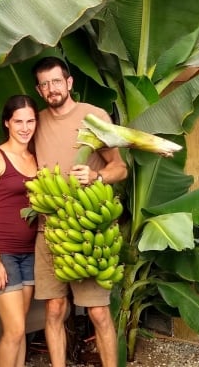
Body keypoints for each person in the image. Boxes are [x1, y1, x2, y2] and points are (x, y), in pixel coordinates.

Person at [31, 56, 128, 367]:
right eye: (44, 84)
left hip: (87, 230)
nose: (51, 89)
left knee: (98, 312)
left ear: (69, 83)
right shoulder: (36, 121)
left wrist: (96, 176)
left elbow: (120, 168)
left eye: (56, 81)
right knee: (55, 309)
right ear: (39, 89)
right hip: (49, 229)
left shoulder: (93, 116)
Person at [0, 95, 40, 367]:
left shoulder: (36, 159)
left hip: (29, 253)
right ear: (7, 123)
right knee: (13, 330)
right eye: (18, 121)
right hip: (1, 253)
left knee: (20, 329)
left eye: (30, 121)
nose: (25, 127)